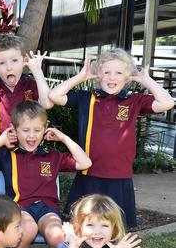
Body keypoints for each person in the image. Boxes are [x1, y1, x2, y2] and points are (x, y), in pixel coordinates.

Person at [48, 48, 174, 228]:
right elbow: (54, 96)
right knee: (82, 222)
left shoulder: (134, 100)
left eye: (118, 73)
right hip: (89, 172)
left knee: (116, 226)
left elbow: (167, 102)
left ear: (128, 77)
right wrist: (81, 77)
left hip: (119, 175)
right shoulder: (88, 98)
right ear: (98, 75)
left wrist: (147, 80)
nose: (112, 77)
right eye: (106, 72)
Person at [0, 101, 91, 248]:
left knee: (57, 236)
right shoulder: (8, 155)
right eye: (25, 130)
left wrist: (63, 138)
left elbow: (85, 163)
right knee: (28, 230)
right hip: (19, 207)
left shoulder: (52, 156)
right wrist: (1, 140)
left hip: (47, 209)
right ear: (14, 130)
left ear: (45, 129)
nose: (32, 135)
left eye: (37, 130)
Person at [0, 33, 51, 196]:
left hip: (26, 150)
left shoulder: (31, 84)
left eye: (14, 61)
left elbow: (47, 103)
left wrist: (37, 71)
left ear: (24, 61)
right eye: (2, 63)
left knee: (25, 198)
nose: (9, 67)